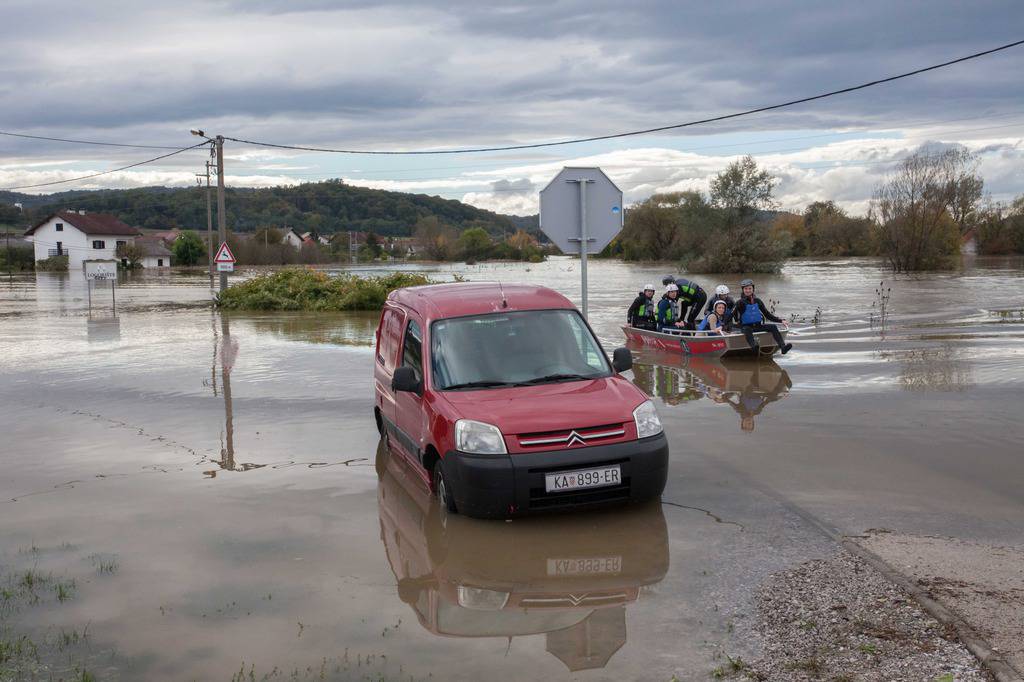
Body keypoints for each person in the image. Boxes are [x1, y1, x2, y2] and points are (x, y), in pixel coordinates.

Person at [732, 278, 793, 355]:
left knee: (773, 327)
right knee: (747, 329)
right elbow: (730, 314)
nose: (748, 290)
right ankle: (754, 347)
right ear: (743, 290)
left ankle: (783, 347)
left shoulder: (758, 301)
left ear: (753, 289)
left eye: (750, 288)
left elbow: (767, 314)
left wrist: (781, 320)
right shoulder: (739, 302)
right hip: (746, 327)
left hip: (758, 326)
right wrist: (722, 325)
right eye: (746, 289)